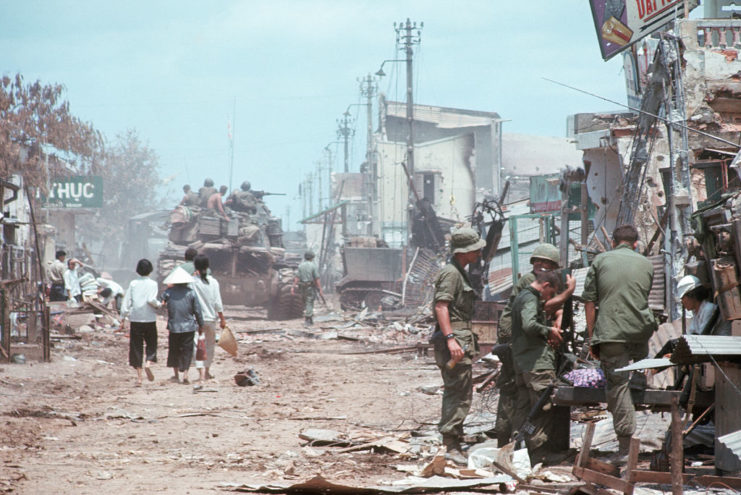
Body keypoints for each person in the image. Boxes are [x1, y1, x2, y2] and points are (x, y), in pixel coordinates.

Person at [582, 224, 657, 464]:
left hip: (612, 333)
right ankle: (635, 403)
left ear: (613, 243)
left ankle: (625, 449)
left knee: (618, 386)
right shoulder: (646, 263)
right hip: (640, 332)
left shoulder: (601, 260)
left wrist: (593, 336)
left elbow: (590, 301)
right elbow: (640, 296)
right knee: (633, 378)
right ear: (636, 244)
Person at [491, 243, 575, 446]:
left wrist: (560, 312)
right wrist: (567, 293)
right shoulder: (532, 281)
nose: (540, 265)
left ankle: (514, 443)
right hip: (519, 343)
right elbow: (542, 307)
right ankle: (517, 443)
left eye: (545, 263)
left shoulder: (538, 281)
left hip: (520, 343)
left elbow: (550, 308)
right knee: (525, 396)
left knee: (521, 396)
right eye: (538, 262)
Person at [431, 227, 485, 465]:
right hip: (455, 340)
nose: (479, 251)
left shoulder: (459, 271)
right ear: (465, 252)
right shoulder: (451, 274)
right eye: (476, 249)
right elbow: (441, 306)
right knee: (457, 392)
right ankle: (450, 445)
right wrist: (451, 338)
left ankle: (454, 440)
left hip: (461, 338)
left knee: (461, 391)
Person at [511, 269, 569, 466]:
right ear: (545, 286)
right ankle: (539, 453)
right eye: (551, 292)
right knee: (542, 408)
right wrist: (549, 330)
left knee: (525, 408)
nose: (549, 298)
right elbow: (529, 325)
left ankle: (518, 450)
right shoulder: (529, 299)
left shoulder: (523, 296)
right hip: (536, 363)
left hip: (523, 362)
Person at [119, 259, 162, 387]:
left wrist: (123, 317)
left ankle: (139, 378)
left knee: (136, 347)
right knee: (151, 343)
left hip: (136, 318)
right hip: (149, 318)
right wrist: (159, 305)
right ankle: (149, 363)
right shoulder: (153, 284)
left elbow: (126, 302)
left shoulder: (133, 284)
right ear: (150, 270)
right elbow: (151, 300)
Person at [161, 266, 204, 384]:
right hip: (188, 327)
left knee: (174, 350)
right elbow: (197, 311)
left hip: (174, 326)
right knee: (187, 351)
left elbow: (162, 301)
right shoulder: (191, 293)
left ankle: (176, 375)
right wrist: (201, 324)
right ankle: (185, 375)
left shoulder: (168, 292)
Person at [190, 254, 227, 388]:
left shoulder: (192, 282)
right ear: (207, 266)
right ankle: (207, 371)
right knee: (210, 346)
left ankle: (200, 374)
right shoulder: (214, 282)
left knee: (198, 346)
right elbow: (218, 303)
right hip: (211, 319)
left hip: (196, 320)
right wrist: (222, 319)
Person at [292, 250, 323, 326]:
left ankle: (310, 317)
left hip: (302, 287)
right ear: (312, 257)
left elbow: (297, 277)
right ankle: (308, 319)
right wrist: (320, 289)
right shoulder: (313, 266)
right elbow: (317, 279)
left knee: (305, 302)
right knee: (309, 302)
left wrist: (293, 287)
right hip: (310, 287)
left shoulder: (300, 266)